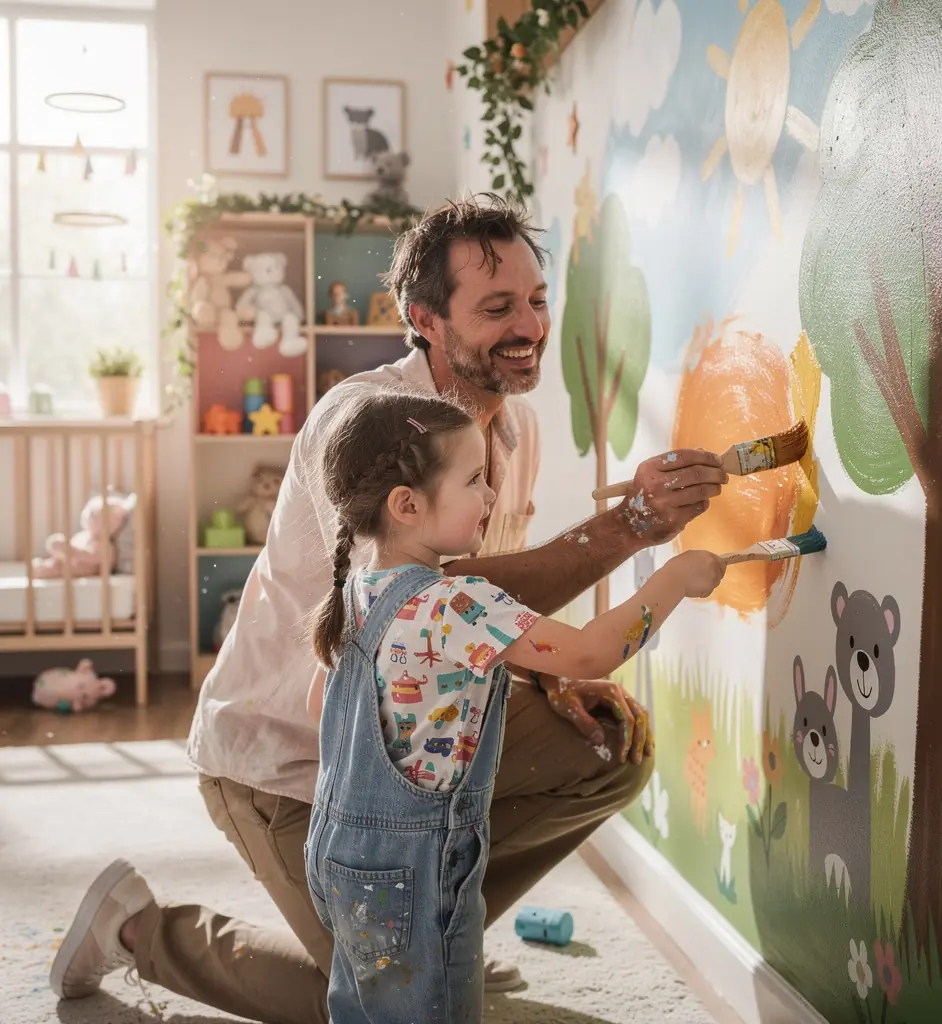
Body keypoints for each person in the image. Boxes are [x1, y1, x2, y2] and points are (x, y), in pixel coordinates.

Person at [50, 194, 728, 1024]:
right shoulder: (362, 426)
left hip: (406, 757)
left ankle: (446, 929)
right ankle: (142, 932)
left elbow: (471, 614)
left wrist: (547, 684)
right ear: (425, 320)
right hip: (290, 770)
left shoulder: (509, 436)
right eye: (496, 308)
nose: (529, 325)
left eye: (537, 300)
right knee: (385, 1000)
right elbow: (436, 611)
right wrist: (636, 529)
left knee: (610, 747)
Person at [304, 386, 727, 1022]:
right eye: (475, 480)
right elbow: (588, 655)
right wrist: (674, 580)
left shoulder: (361, 591)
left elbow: (324, 706)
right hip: (414, 873)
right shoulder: (454, 602)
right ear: (407, 505)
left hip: (340, 855)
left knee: (363, 1008)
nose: (492, 496)